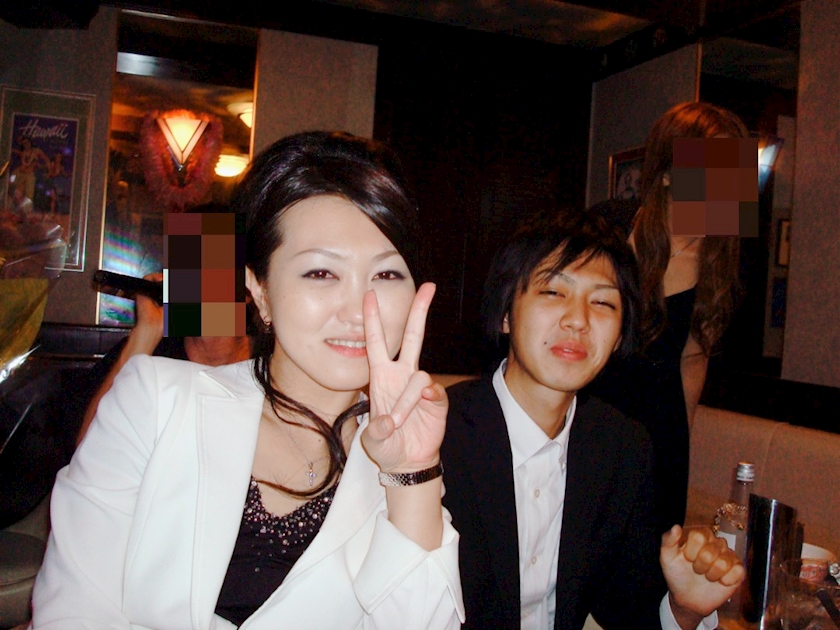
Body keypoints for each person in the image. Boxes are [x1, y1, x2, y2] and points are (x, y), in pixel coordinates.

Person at [32, 132, 464, 628]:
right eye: (321, 273)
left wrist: (412, 472)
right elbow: (74, 608)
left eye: (386, 275)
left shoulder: (409, 453)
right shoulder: (155, 400)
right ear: (258, 289)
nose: (356, 310)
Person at [441, 210, 744, 630]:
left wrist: (685, 609)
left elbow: (627, 613)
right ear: (506, 313)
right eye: (553, 292)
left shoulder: (621, 448)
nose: (578, 320)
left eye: (602, 302)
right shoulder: (435, 436)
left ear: (619, 336)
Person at [588, 102, 746, 534]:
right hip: (590, 415)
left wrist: (679, 446)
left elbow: (693, 361)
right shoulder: (609, 226)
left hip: (658, 433)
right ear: (668, 172)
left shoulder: (720, 255)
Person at [76, 202, 254, 445]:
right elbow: (89, 451)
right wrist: (144, 337)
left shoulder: (271, 363)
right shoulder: (150, 353)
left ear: (247, 291)